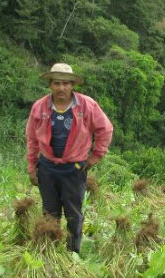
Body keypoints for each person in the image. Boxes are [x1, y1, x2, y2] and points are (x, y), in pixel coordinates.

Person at [26, 63, 113, 253]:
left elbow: (105, 129)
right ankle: (50, 250)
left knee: (73, 213)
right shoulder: (40, 107)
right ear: (50, 85)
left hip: (74, 169)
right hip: (47, 168)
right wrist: (32, 166)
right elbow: (32, 139)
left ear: (72, 85)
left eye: (66, 83)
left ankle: (73, 252)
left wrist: (94, 157)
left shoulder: (87, 105)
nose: (61, 88)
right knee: (49, 212)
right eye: (57, 83)